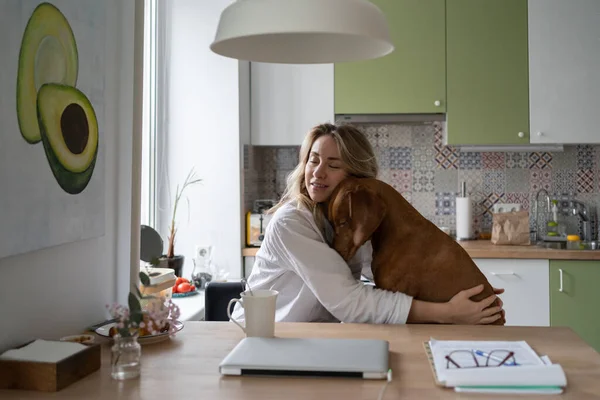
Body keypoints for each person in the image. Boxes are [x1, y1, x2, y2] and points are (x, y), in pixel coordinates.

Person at [232, 123, 504, 325]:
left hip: (315, 336)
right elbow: (349, 301)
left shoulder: (349, 218)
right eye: (313, 160)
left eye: (333, 165)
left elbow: (384, 276)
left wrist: (458, 289)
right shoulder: (291, 222)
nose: (317, 172)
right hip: (262, 337)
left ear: (356, 178)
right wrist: (448, 313)